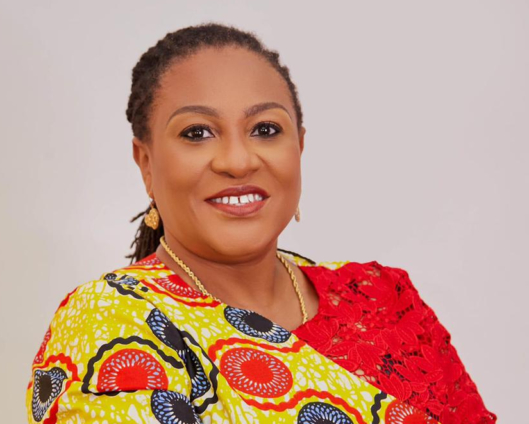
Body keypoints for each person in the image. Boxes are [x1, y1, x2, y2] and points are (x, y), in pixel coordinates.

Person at [26, 23, 496, 424]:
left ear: (299, 147)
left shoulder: (385, 298)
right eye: (197, 133)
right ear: (146, 163)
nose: (237, 160)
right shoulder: (110, 323)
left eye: (265, 130)